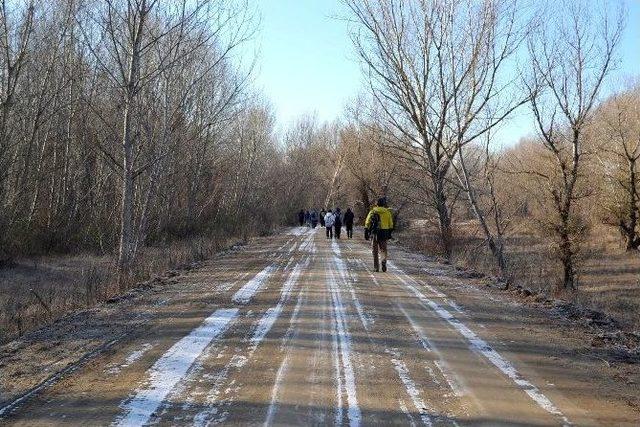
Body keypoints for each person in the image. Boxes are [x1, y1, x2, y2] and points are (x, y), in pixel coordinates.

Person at [365, 197, 394, 272]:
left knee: (375, 250)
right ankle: (383, 260)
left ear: (377, 204)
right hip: (384, 232)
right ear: (383, 204)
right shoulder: (387, 212)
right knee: (383, 249)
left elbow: (367, 222)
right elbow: (391, 224)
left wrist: (366, 230)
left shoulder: (373, 211)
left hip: (374, 233)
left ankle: (376, 267)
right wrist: (389, 232)